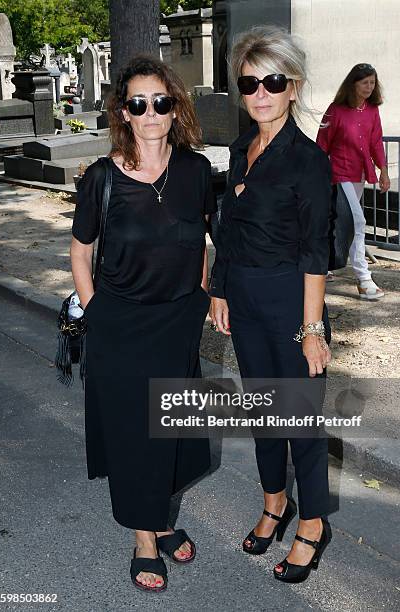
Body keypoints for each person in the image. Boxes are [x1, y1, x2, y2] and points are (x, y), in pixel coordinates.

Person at [70, 55, 216, 593]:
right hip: (120, 327)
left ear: (174, 108)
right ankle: (145, 539)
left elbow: (203, 237)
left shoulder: (197, 171)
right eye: (138, 103)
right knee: (136, 436)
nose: (150, 112)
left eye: (161, 101)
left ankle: (164, 514)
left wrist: (204, 294)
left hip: (177, 322)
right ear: (123, 113)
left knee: (172, 428)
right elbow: (81, 253)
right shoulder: (102, 178)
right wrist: (96, 311)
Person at [209, 26, 332, 584]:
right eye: (249, 82)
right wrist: (219, 290)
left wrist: (311, 327)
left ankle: (312, 525)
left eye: (272, 81)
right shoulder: (241, 149)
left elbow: (315, 253)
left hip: (290, 301)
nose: (259, 92)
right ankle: (274, 503)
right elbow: (228, 234)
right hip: (247, 300)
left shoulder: (308, 161)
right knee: (263, 416)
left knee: (300, 421)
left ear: (293, 87)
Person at [317, 63, 390, 299]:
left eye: (372, 82)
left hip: (360, 173)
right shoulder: (335, 110)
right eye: (364, 82)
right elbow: (321, 144)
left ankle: (323, 264)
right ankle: (364, 279)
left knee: (339, 222)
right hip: (338, 172)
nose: (369, 87)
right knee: (358, 222)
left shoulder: (372, 110)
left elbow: (376, 142)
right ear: (353, 84)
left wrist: (384, 171)